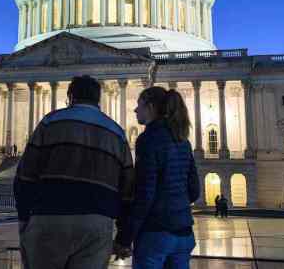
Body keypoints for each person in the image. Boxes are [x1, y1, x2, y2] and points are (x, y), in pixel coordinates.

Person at [14, 75, 135, 269]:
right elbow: (128, 190)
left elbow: (25, 176)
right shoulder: (117, 132)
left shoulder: (50, 122)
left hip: (50, 215)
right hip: (98, 219)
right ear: (98, 98)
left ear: (70, 96)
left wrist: (24, 219)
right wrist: (124, 236)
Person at [116, 86, 201, 269]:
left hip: (156, 233)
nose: (135, 109)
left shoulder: (148, 139)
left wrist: (125, 238)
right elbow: (194, 190)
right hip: (184, 233)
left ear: (151, 107)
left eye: (139, 105)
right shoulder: (183, 140)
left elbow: (145, 194)